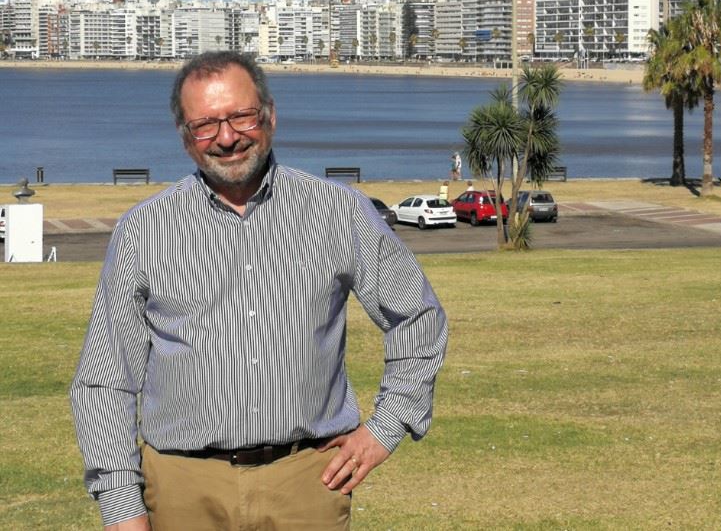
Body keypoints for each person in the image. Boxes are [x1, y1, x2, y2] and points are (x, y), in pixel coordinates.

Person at [70, 51, 448, 530]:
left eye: (241, 117)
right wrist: (122, 508)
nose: (227, 138)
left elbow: (417, 316)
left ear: (270, 114)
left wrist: (387, 427)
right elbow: (106, 378)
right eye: (205, 125)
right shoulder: (143, 231)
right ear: (186, 139)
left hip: (307, 483)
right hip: (181, 487)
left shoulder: (338, 212)